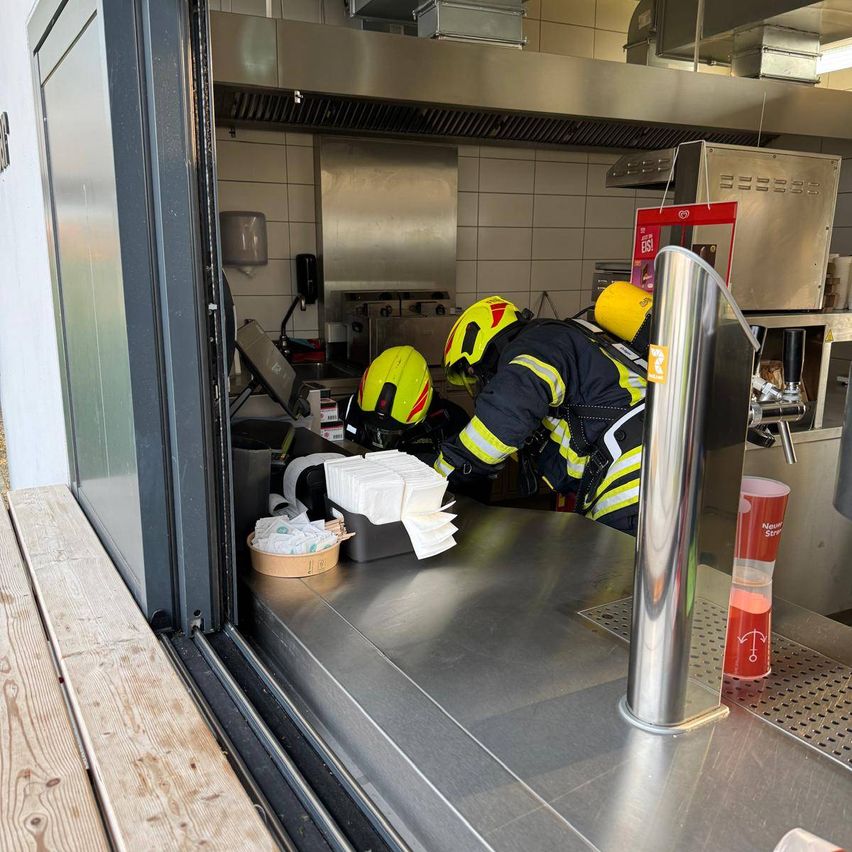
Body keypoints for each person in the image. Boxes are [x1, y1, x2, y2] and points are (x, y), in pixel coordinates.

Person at [434, 283, 651, 534]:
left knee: (619, 572)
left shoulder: (536, 342)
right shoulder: (565, 339)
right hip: (648, 475)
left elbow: (505, 412)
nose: (480, 386)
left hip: (632, 483)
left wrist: (441, 474)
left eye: (473, 375)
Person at [342, 345, 469, 460]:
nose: (381, 442)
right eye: (374, 431)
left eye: (392, 435)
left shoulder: (452, 423)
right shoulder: (347, 411)